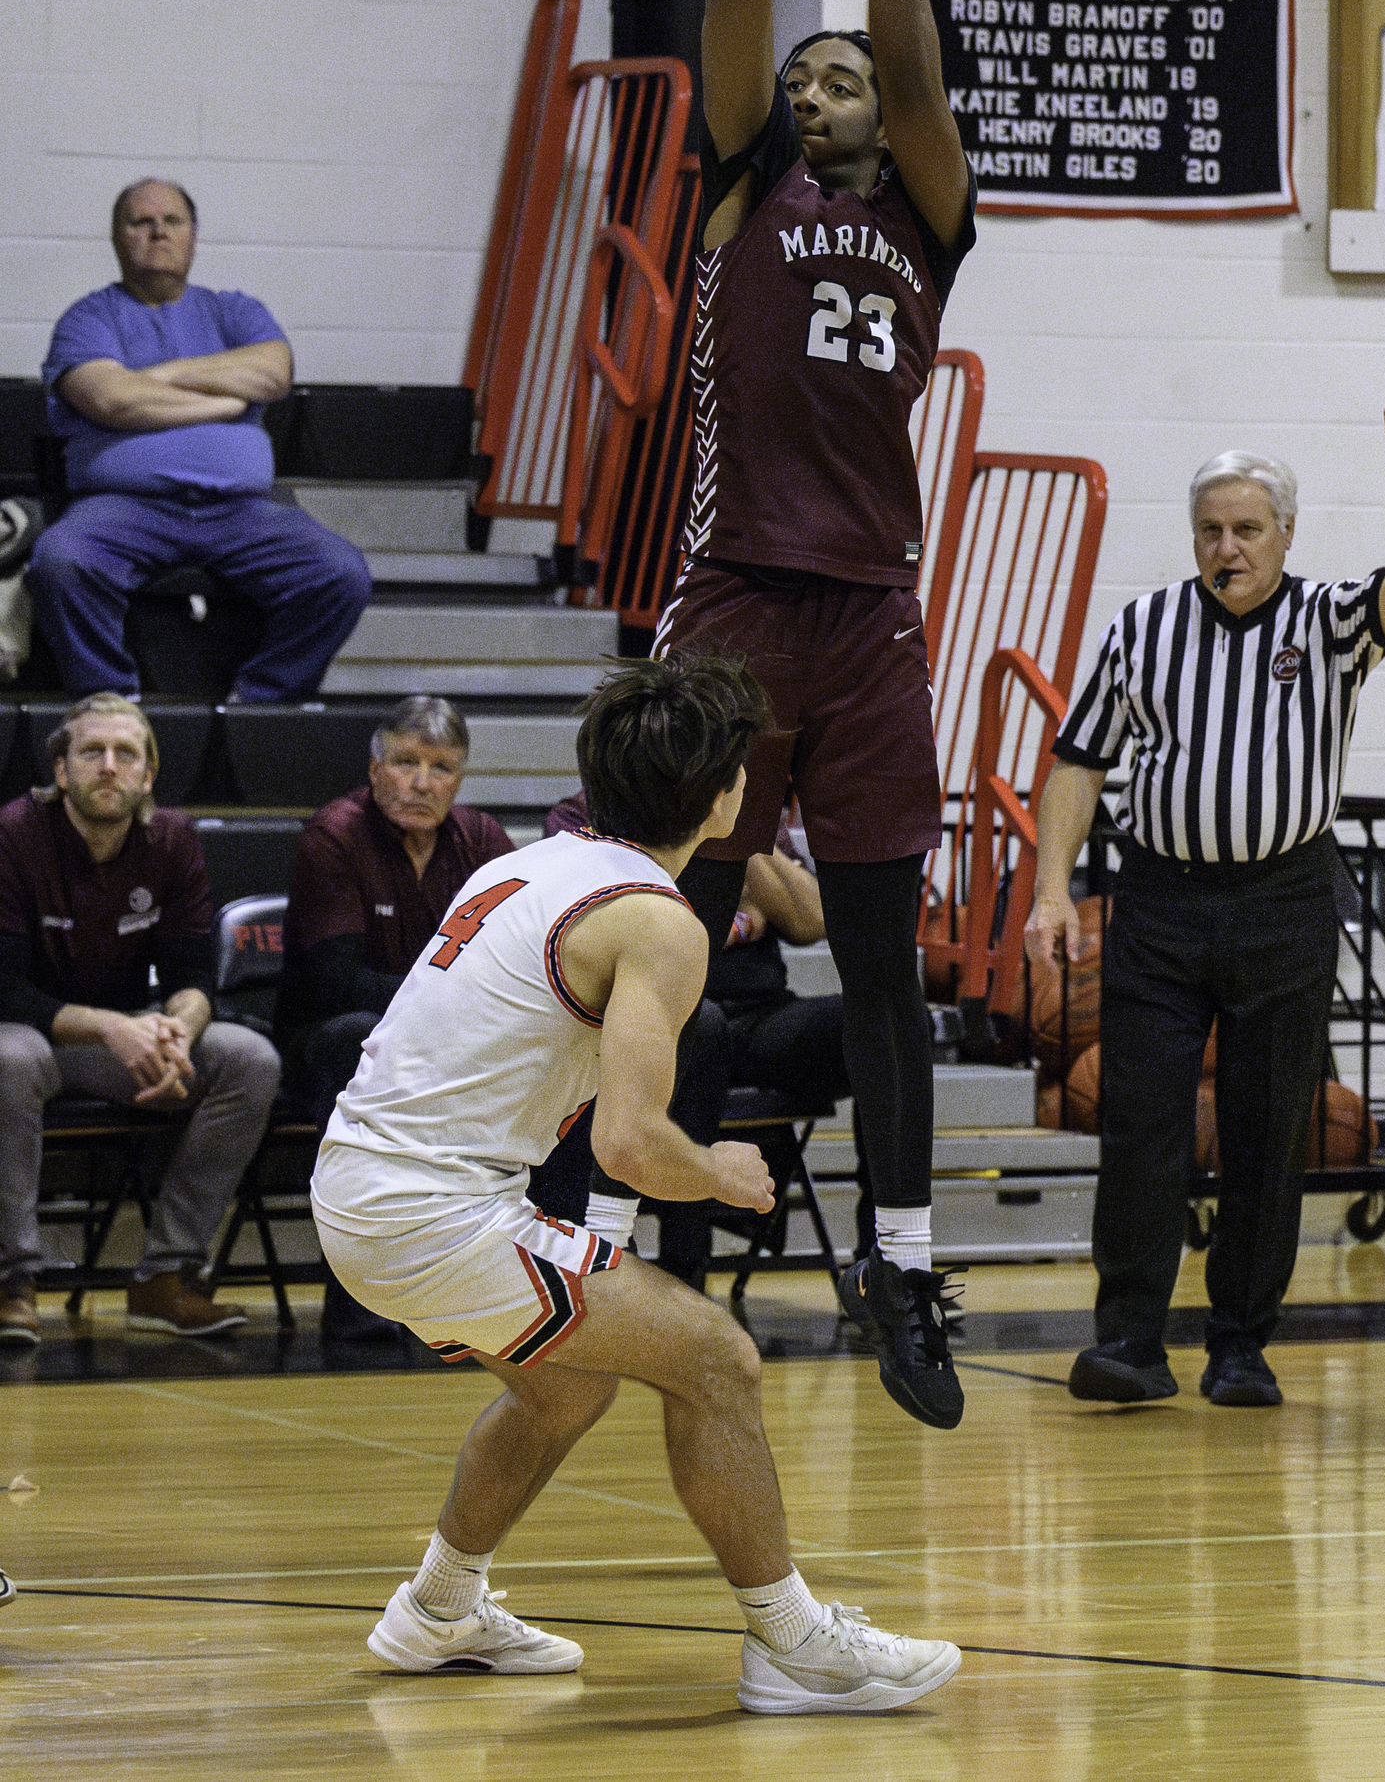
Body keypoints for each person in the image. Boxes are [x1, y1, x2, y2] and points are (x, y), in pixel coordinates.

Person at [310, 656, 960, 1715]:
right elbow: (630, 1144)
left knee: (568, 1380)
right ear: (725, 794)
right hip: (427, 1207)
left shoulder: (528, 862)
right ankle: (793, 1643)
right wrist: (718, 1167)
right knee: (717, 1357)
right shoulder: (657, 917)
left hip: (362, 1182)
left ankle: (436, 1607)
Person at [613, 0, 975, 1430]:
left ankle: (901, 1259)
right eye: (809, 80)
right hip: (740, 602)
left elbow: (916, 73)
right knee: (667, 938)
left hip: (875, 618)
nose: (826, 89)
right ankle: (612, 1229)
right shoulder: (742, 194)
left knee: (890, 964)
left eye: (847, 80)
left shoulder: (931, 219)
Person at [1025, 358, 1385, 1411]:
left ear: (1286, 536)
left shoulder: (1330, 623)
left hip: (1284, 901)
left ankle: (1240, 1342)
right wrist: (1048, 891)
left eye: (1248, 529)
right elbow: (1078, 759)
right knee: (1142, 1122)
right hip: (1160, 902)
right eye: (1212, 529)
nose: (1228, 546)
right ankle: (1128, 1336)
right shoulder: (1142, 629)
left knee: (1271, 1126)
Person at [0, 693, 283, 1343]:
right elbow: (4, 990)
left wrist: (179, 1027)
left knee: (248, 1058)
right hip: (34, 1033)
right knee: (7, 1058)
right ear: (62, 770)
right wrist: (111, 1027)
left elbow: (194, 978)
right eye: (91, 752)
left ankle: (166, 1275)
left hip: (123, 1037)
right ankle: (11, 1280)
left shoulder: (173, 838)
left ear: (148, 773)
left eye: (126, 753)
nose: (109, 766)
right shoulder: (15, 834)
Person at [29, 178, 371, 701]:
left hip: (241, 512)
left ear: (193, 237)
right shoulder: (89, 318)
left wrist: (154, 377)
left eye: (173, 221)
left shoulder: (235, 312)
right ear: (118, 238)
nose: (158, 232)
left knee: (342, 573)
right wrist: (221, 400)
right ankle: (111, 709)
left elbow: (272, 374)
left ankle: (262, 702)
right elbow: (112, 401)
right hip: (124, 508)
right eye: (140, 222)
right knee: (59, 561)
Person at [536, 795, 874, 1286]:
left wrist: (735, 829)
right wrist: (746, 915)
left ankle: (880, 1267)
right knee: (701, 1023)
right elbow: (657, 920)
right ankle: (681, 1267)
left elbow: (810, 918)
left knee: (872, 1024)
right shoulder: (581, 813)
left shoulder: (742, 815)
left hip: (759, 1016)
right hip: (652, 1019)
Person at [278, 694, 515, 1343]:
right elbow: (336, 983)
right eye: (406, 761)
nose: (420, 781)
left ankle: (513, 1289)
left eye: (440, 767)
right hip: (333, 1047)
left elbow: (512, 965)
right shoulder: (334, 835)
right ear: (376, 767)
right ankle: (359, 1305)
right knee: (350, 1036)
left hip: (448, 1048)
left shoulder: (485, 840)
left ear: (459, 781)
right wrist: (454, 1008)